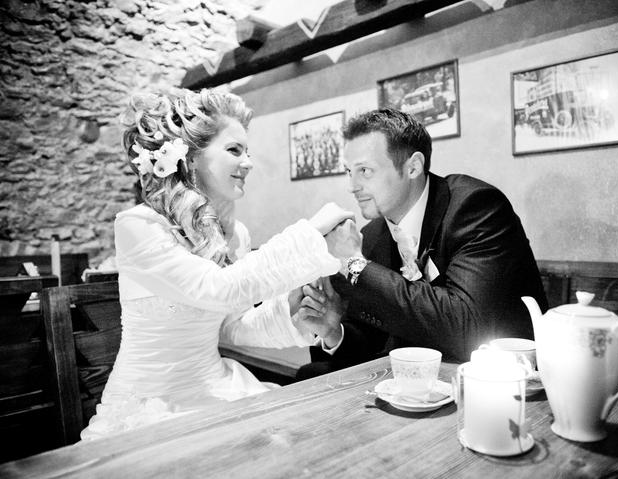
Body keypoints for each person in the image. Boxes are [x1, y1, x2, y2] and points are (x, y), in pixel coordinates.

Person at [80, 88, 359, 440]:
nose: (249, 163)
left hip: (218, 388)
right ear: (192, 156)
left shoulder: (234, 234)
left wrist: (291, 312)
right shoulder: (138, 226)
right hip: (152, 405)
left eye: (247, 152)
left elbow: (232, 327)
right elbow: (218, 290)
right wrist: (314, 232)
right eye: (234, 150)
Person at [294, 108, 548, 378]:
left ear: (413, 166)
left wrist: (355, 264)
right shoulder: (372, 235)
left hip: (507, 378)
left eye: (365, 171)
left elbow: (466, 328)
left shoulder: (475, 208)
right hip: (421, 379)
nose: (352, 186)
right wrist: (334, 333)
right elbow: (376, 344)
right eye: (349, 172)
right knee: (310, 373)